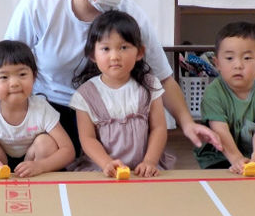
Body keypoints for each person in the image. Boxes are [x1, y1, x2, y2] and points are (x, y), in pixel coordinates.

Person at [4, 0, 221, 157]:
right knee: (46, 150)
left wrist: (187, 123)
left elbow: (164, 77)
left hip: (106, 110)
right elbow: (8, 61)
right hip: (51, 104)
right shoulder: (40, 3)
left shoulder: (129, 15)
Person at [68, 11, 175, 177]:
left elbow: (159, 128)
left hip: (144, 168)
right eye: (105, 48)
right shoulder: (85, 94)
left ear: (139, 52)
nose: (115, 56)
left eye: (124, 47)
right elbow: (87, 138)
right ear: (92, 54)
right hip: (102, 168)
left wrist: (150, 161)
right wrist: (106, 163)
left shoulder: (149, 85)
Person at [0, 40, 75, 178]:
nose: (15, 83)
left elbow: (68, 150)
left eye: (22, 74)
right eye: (4, 77)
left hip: (32, 163)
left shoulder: (41, 108)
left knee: (45, 142)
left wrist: (41, 166)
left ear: (34, 77)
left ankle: (39, 187)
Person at [195, 22, 255, 175]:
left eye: (247, 58)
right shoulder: (214, 93)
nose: (238, 65)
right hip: (217, 157)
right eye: (230, 58)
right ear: (217, 63)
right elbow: (219, 130)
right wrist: (236, 158)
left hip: (253, 158)